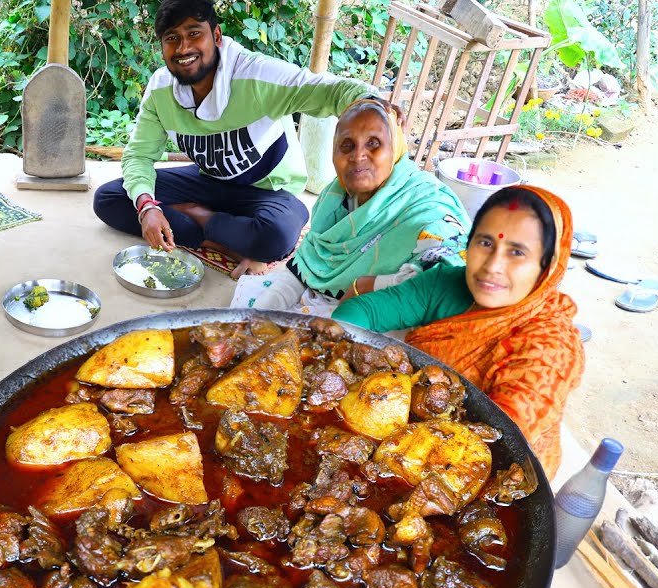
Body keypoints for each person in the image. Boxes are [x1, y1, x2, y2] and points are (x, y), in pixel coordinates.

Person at [92, 0, 376, 278]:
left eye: (194, 33)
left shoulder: (258, 75)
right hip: (208, 182)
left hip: (268, 191)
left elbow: (331, 91)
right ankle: (216, 239)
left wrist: (371, 104)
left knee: (276, 238)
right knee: (110, 199)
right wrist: (147, 208)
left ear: (216, 36)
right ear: (162, 48)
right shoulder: (160, 90)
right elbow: (138, 156)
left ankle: (199, 216)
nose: (184, 48)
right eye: (172, 38)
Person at [332, 186, 585, 476]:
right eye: (485, 243)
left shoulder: (549, 350)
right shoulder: (448, 283)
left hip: (487, 472)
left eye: (517, 252)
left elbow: (499, 445)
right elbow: (358, 313)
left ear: (547, 265)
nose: (493, 266)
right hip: (403, 434)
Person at [236, 97, 469, 313]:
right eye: (347, 145)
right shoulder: (334, 200)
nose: (358, 156)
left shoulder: (427, 207)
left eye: (374, 143)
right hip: (337, 306)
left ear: (395, 149)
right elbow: (305, 268)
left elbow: (448, 276)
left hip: (394, 316)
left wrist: (371, 285)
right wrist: (258, 316)